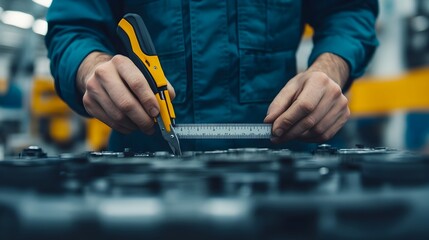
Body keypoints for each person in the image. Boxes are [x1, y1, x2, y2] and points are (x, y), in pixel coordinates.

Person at [45, 0, 378, 152]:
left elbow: (348, 10)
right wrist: (90, 66)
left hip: (286, 174)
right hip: (144, 174)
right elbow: (73, 28)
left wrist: (330, 68)